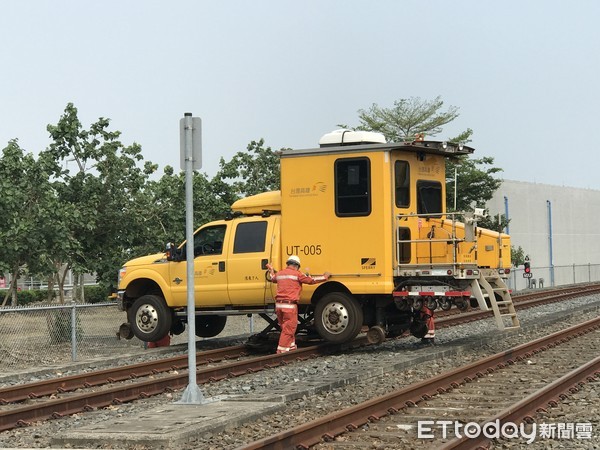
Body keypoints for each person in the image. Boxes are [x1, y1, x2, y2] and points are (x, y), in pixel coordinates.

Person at [267, 255, 331, 354]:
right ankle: (281, 351)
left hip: (279, 306)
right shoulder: (297, 274)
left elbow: (272, 278)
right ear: (297, 266)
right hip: (289, 305)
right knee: (289, 328)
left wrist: (271, 269)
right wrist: (325, 277)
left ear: (288, 264)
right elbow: (311, 281)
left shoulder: (280, 273)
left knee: (285, 327)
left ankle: (291, 347)